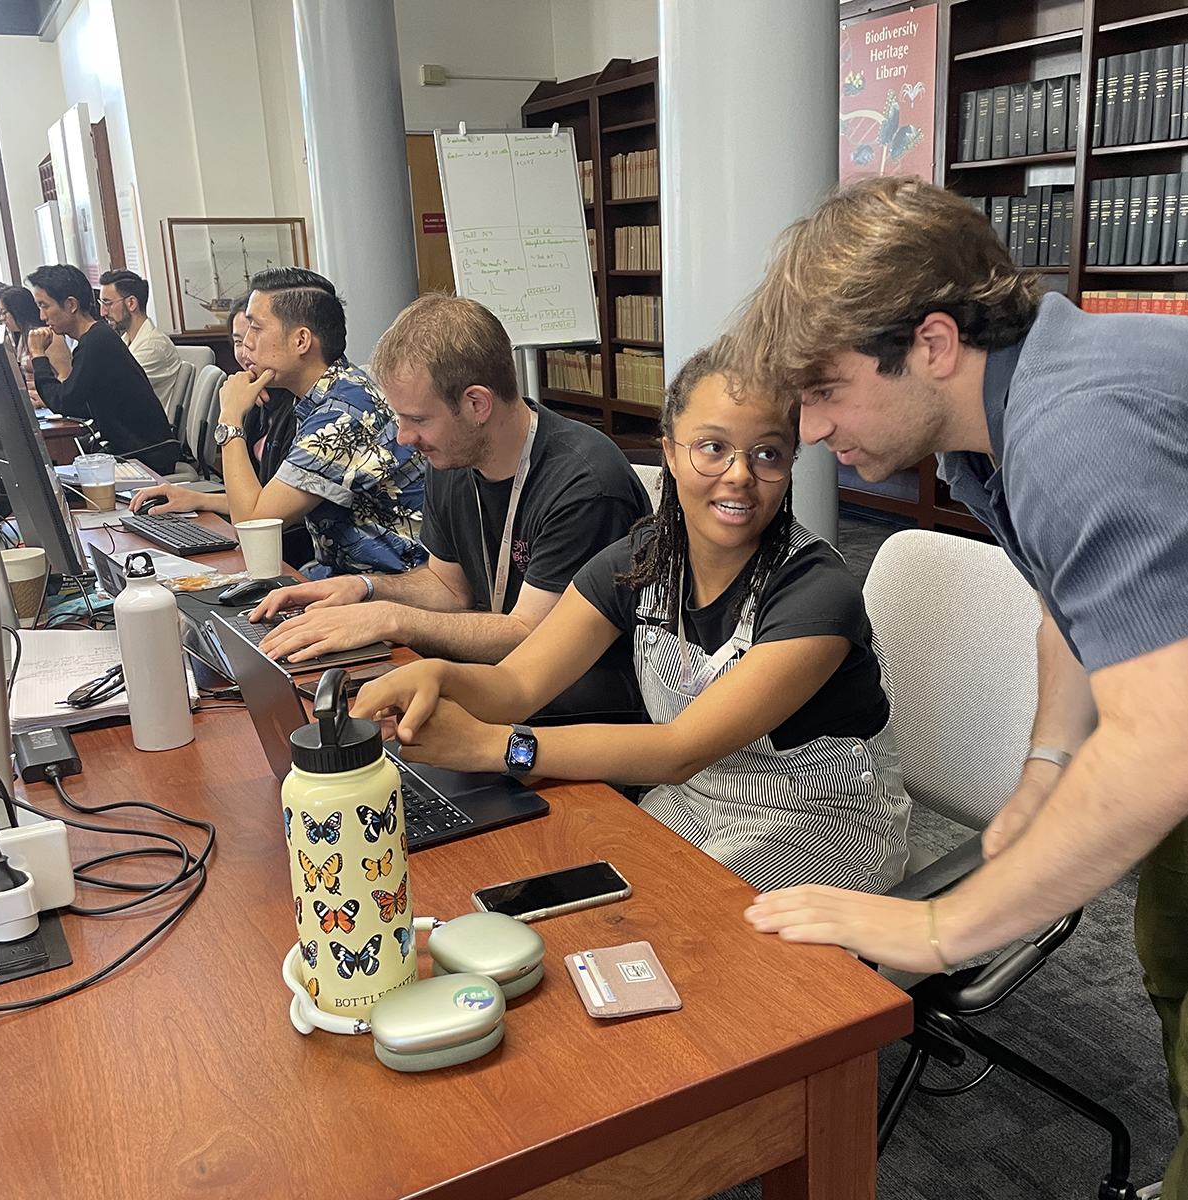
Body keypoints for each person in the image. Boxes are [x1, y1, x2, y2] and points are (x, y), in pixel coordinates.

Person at [732, 177, 1188, 1197]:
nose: (808, 430)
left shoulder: (1077, 425)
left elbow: (1164, 742)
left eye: (825, 389)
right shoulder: (998, 424)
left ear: (932, 344)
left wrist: (938, 928)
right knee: (1170, 956)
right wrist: (1046, 766)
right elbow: (1072, 607)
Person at [347, 345, 910, 892]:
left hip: (825, 828)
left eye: (767, 454)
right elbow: (517, 684)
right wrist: (440, 676)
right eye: (712, 448)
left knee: (650, 926)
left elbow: (678, 748)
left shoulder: (817, 590)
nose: (740, 474)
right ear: (668, 451)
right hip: (696, 801)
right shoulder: (640, 561)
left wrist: (494, 747)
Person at [253, 293, 652, 722]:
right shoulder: (452, 457)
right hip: (494, 683)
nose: (404, 437)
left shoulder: (585, 485)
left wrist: (391, 619)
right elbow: (449, 588)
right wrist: (365, 589)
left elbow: (529, 636)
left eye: (418, 420)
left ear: (476, 404)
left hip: (581, 709)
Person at [134, 268, 425, 578]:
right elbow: (272, 501)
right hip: (343, 576)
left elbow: (253, 525)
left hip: (389, 588)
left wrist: (230, 418)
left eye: (256, 329)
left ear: (301, 340)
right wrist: (200, 499)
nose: (246, 344)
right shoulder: (326, 394)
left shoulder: (342, 415)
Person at [130, 294, 310, 567]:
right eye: (238, 341)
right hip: (265, 542)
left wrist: (230, 417)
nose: (247, 350)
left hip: (291, 551)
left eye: (255, 335)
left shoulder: (303, 409)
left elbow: (260, 517)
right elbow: (256, 500)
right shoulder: (257, 402)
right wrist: (196, 499)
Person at [26, 264, 180, 475]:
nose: (42, 316)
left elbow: (64, 402)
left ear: (71, 304)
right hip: (131, 452)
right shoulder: (96, 338)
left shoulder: (96, 342)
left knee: (58, 484)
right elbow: (79, 403)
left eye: (45, 306)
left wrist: (38, 356)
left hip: (144, 457)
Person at [99, 269, 182, 412]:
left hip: (148, 431)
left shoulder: (152, 347)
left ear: (131, 303)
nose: (103, 312)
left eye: (108, 303)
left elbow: (112, 393)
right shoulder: (126, 340)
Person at [0, 286, 43, 402]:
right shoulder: (20, 337)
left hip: (47, 404)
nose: (2, 318)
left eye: (4, 312)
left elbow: (64, 378)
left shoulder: (43, 335)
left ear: (18, 310)